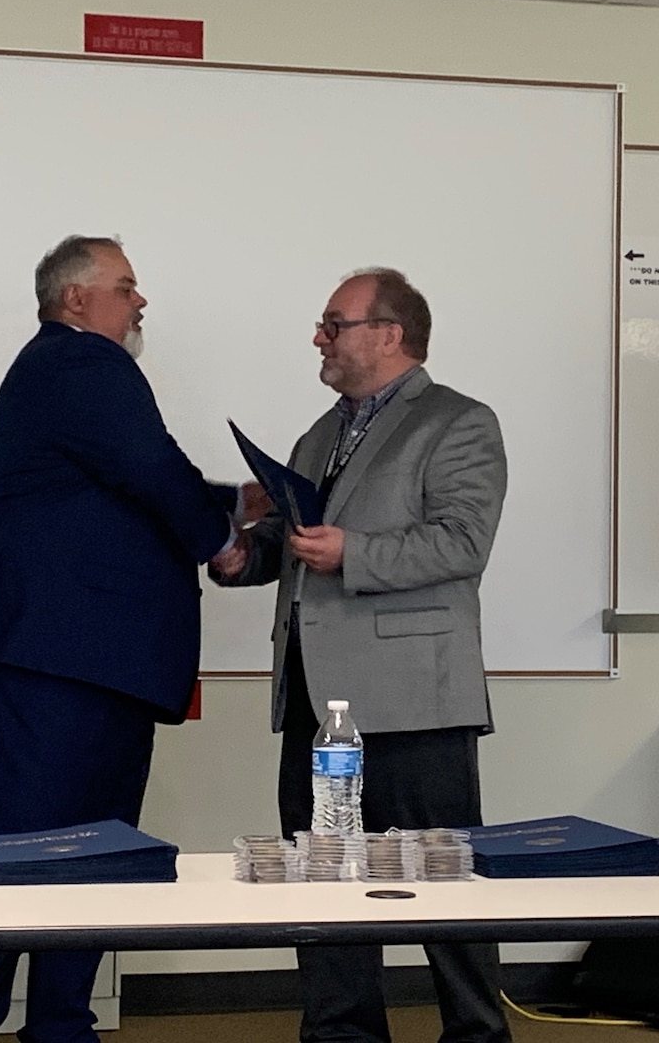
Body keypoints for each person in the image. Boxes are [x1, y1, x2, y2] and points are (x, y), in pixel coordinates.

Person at [0, 236, 252, 1043]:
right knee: (18, 858)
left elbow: (118, 483)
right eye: (127, 287)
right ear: (77, 298)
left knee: (91, 859)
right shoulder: (82, 364)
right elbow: (148, 467)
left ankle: (62, 1028)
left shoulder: (65, 376)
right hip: (51, 657)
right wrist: (220, 534)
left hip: (85, 660)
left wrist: (236, 504)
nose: (141, 304)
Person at [212, 268, 511, 1043]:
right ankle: (342, 1034)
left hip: (414, 701)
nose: (320, 337)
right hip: (317, 706)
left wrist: (353, 550)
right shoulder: (321, 432)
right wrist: (247, 555)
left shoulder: (458, 422)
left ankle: (478, 1034)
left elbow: (462, 541)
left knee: (444, 887)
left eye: (332, 324)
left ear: (389, 333)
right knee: (323, 884)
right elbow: (302, 540)